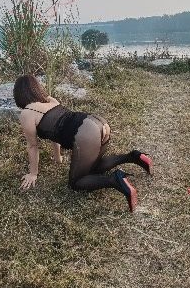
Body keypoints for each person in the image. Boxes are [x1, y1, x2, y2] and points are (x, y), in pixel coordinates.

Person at [13, 75, 153, 212]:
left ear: (19, 95)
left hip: (86, 132)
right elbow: (53, 132)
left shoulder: (27, 113)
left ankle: (115, 180)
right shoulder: (50, 100)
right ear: (37, 88)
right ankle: (133, 156)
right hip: (98, 122)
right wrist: (57, 157)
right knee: (94, 167)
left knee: (76, 183)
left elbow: (32, 146)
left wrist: (33, 174)